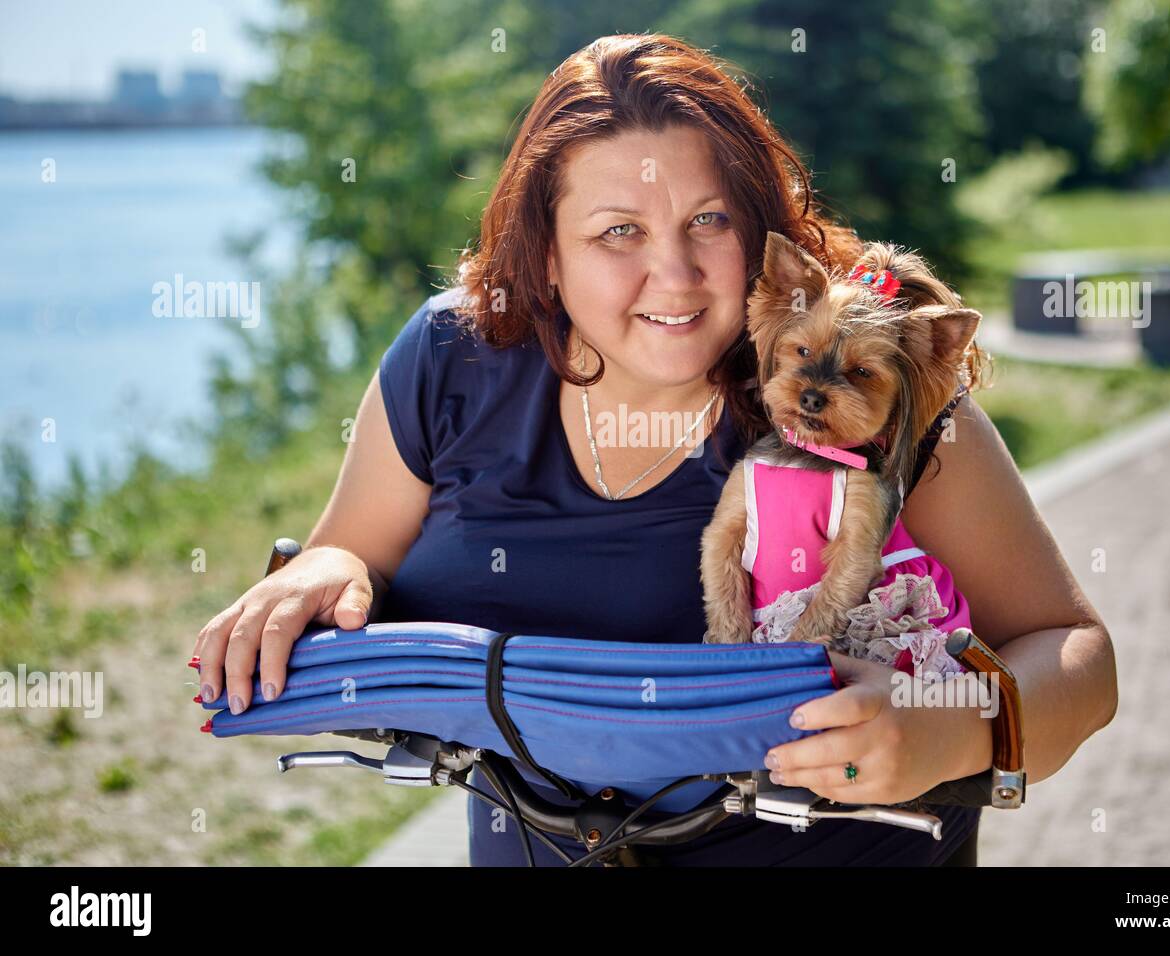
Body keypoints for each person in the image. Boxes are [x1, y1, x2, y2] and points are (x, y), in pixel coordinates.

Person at [191, 34, 1118, 866]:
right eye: (619, 233)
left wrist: (943, 734)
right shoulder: (451, 362)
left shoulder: (869, 389)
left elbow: (1077, 655)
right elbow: (352, 551)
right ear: (544, 254)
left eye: (708, 222)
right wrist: (319, 571)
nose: (673, 278)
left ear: (761, 235)